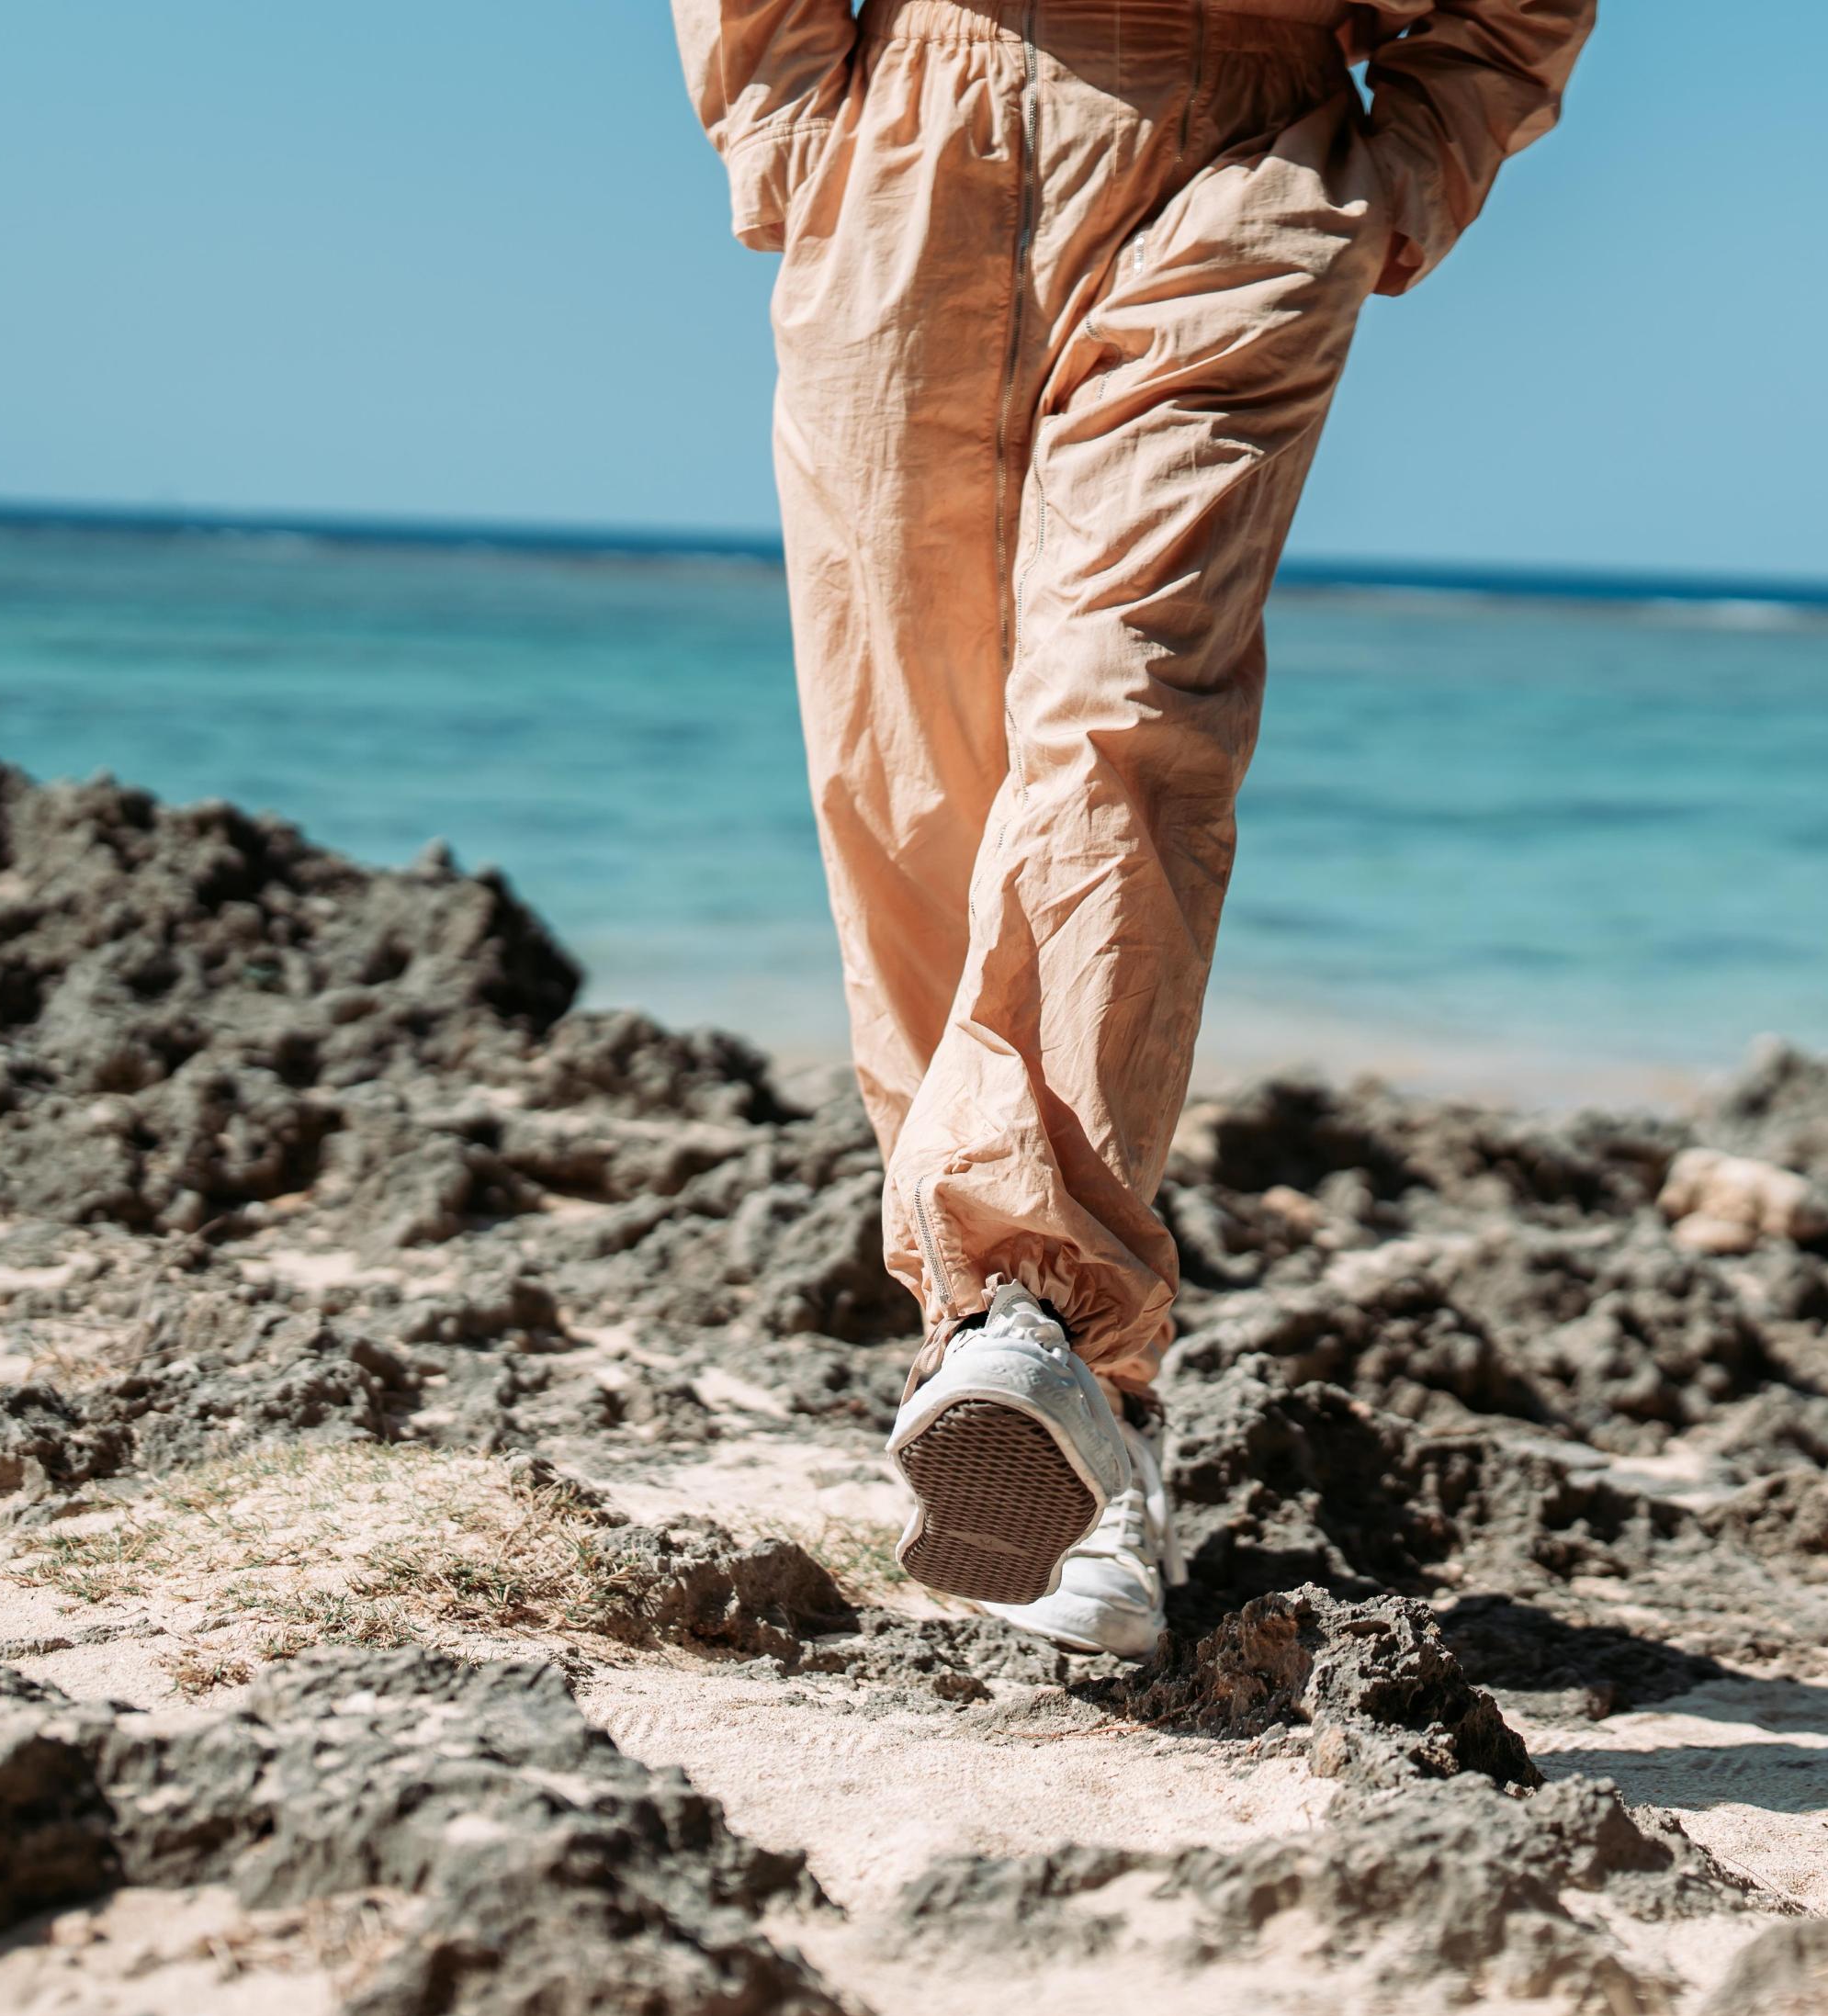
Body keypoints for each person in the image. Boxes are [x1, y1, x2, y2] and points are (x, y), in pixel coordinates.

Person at [671, 0, 1591, 1659]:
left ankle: (1040, 1316)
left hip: (1244, 150)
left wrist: (1406, 168)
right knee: (910, 782)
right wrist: (784, 117)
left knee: (1125, 717)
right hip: (905, 141)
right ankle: (1059, 1406)